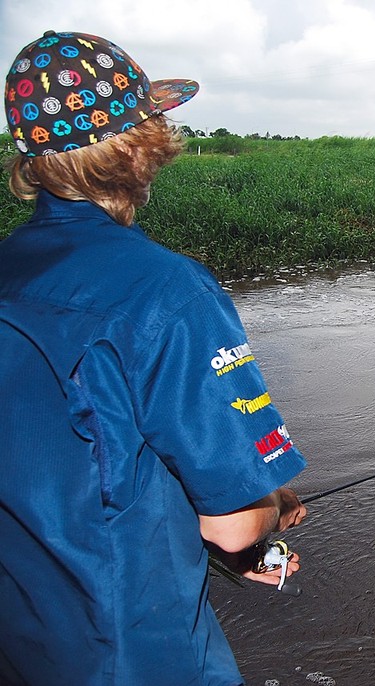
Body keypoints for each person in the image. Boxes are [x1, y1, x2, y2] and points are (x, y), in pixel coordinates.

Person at [0, 31, 308, 685]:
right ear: (138, 151)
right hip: (139, 655)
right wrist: (269, 511)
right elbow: (231, 528)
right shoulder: (168, 291)